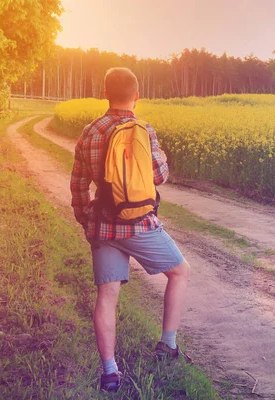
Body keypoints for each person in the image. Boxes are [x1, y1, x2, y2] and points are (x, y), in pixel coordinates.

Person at [70, 67, 190, 392]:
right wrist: (160, 154)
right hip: (139, 224)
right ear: (137, 96)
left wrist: (87, 222)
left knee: (107, 295)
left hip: (103, 226)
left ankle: (109, 372)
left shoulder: (90, 131)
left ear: (105, 93)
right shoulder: (143, 129)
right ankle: (168, 344)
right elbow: (159, 176)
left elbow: (79, 184)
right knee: (180, 272)